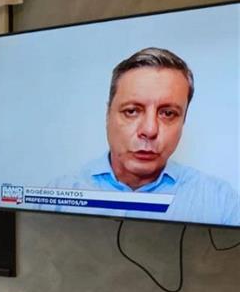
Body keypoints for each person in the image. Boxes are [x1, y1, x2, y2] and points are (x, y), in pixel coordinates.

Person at [47, 47, 240, 225]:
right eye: (131, 111)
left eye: (168, 113)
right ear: (108, 114)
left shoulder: (221, 202)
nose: (149, 130)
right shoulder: (58, 193)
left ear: (183, 121)